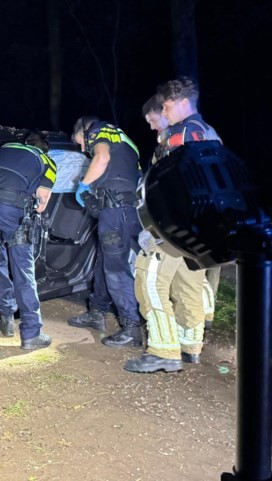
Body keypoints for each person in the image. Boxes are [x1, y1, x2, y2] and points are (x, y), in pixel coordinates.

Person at [125, 77, 222, 373]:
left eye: (165, 107)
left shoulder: (184, 134)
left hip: (176, 225)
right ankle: (190, 345)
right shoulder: (208, 132)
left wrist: (155, 228)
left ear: (182, 103)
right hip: (201, 225)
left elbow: (174, 185)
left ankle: (163, 352)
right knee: (190, 282)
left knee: (150, 280)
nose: (163, 115)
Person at [0, 132, 57, 350]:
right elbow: (42, 202)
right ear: (44, 149)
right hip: (11, 209)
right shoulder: (46, 160)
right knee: (23, 269)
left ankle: (6, 319)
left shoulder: (2, 149)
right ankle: (31, 334)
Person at [67, 116, 144, 347]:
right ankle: (97, 312)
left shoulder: (100, 130)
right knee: (104, 263)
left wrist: (83, 186)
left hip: (116, 211)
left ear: (83, 129)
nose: (83, 148)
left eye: (80, 141)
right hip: (127, 211)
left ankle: (131, 327)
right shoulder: (127, 143)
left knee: (116, 270)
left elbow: (101, 157)